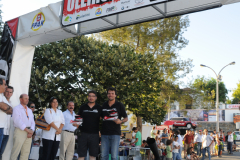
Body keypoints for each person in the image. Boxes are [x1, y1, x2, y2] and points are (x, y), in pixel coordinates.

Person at [101, 87, 128, 160]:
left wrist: (121, 121)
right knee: (103, 156)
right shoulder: (104, 105)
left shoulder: (119, 105)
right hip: (104, 133)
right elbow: (100, 117)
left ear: (115, 95)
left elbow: (126, 118)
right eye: (109, 93)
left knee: (114, 156)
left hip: (115, 134)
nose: (110, 95)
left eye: (112, 93)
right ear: (107, 95)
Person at [78, 91, 101, 160]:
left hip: (94, 134)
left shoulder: (99, 108)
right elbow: (78, 119)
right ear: (88, 97)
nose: (91, 97)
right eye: (90, 96)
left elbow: (104, 119)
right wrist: (75, 123)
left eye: (93, 96)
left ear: (96, 98)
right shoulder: (82, 107)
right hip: (83, 134)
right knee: (81, 155)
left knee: (93, 156)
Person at [10, 94, 35, 160]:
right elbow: (17, 121)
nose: (27, 100)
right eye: (25, 98)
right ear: (21, 99)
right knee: (15, 152)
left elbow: (33, 122)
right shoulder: (16, 108)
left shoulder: (29, 110)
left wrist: (31, 130)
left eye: (28, 99)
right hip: (20, 131)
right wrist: (27, 130)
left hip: (29, 132)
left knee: (26, 153)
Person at [0, 86, 13, 159]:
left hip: (7, 132)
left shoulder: (11, 103)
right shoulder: (2, 100)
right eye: (7, 91)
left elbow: (10, 113)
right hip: (1, 129)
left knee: (1, 152)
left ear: (12, 94)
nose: (8, 93)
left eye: (10, 92)